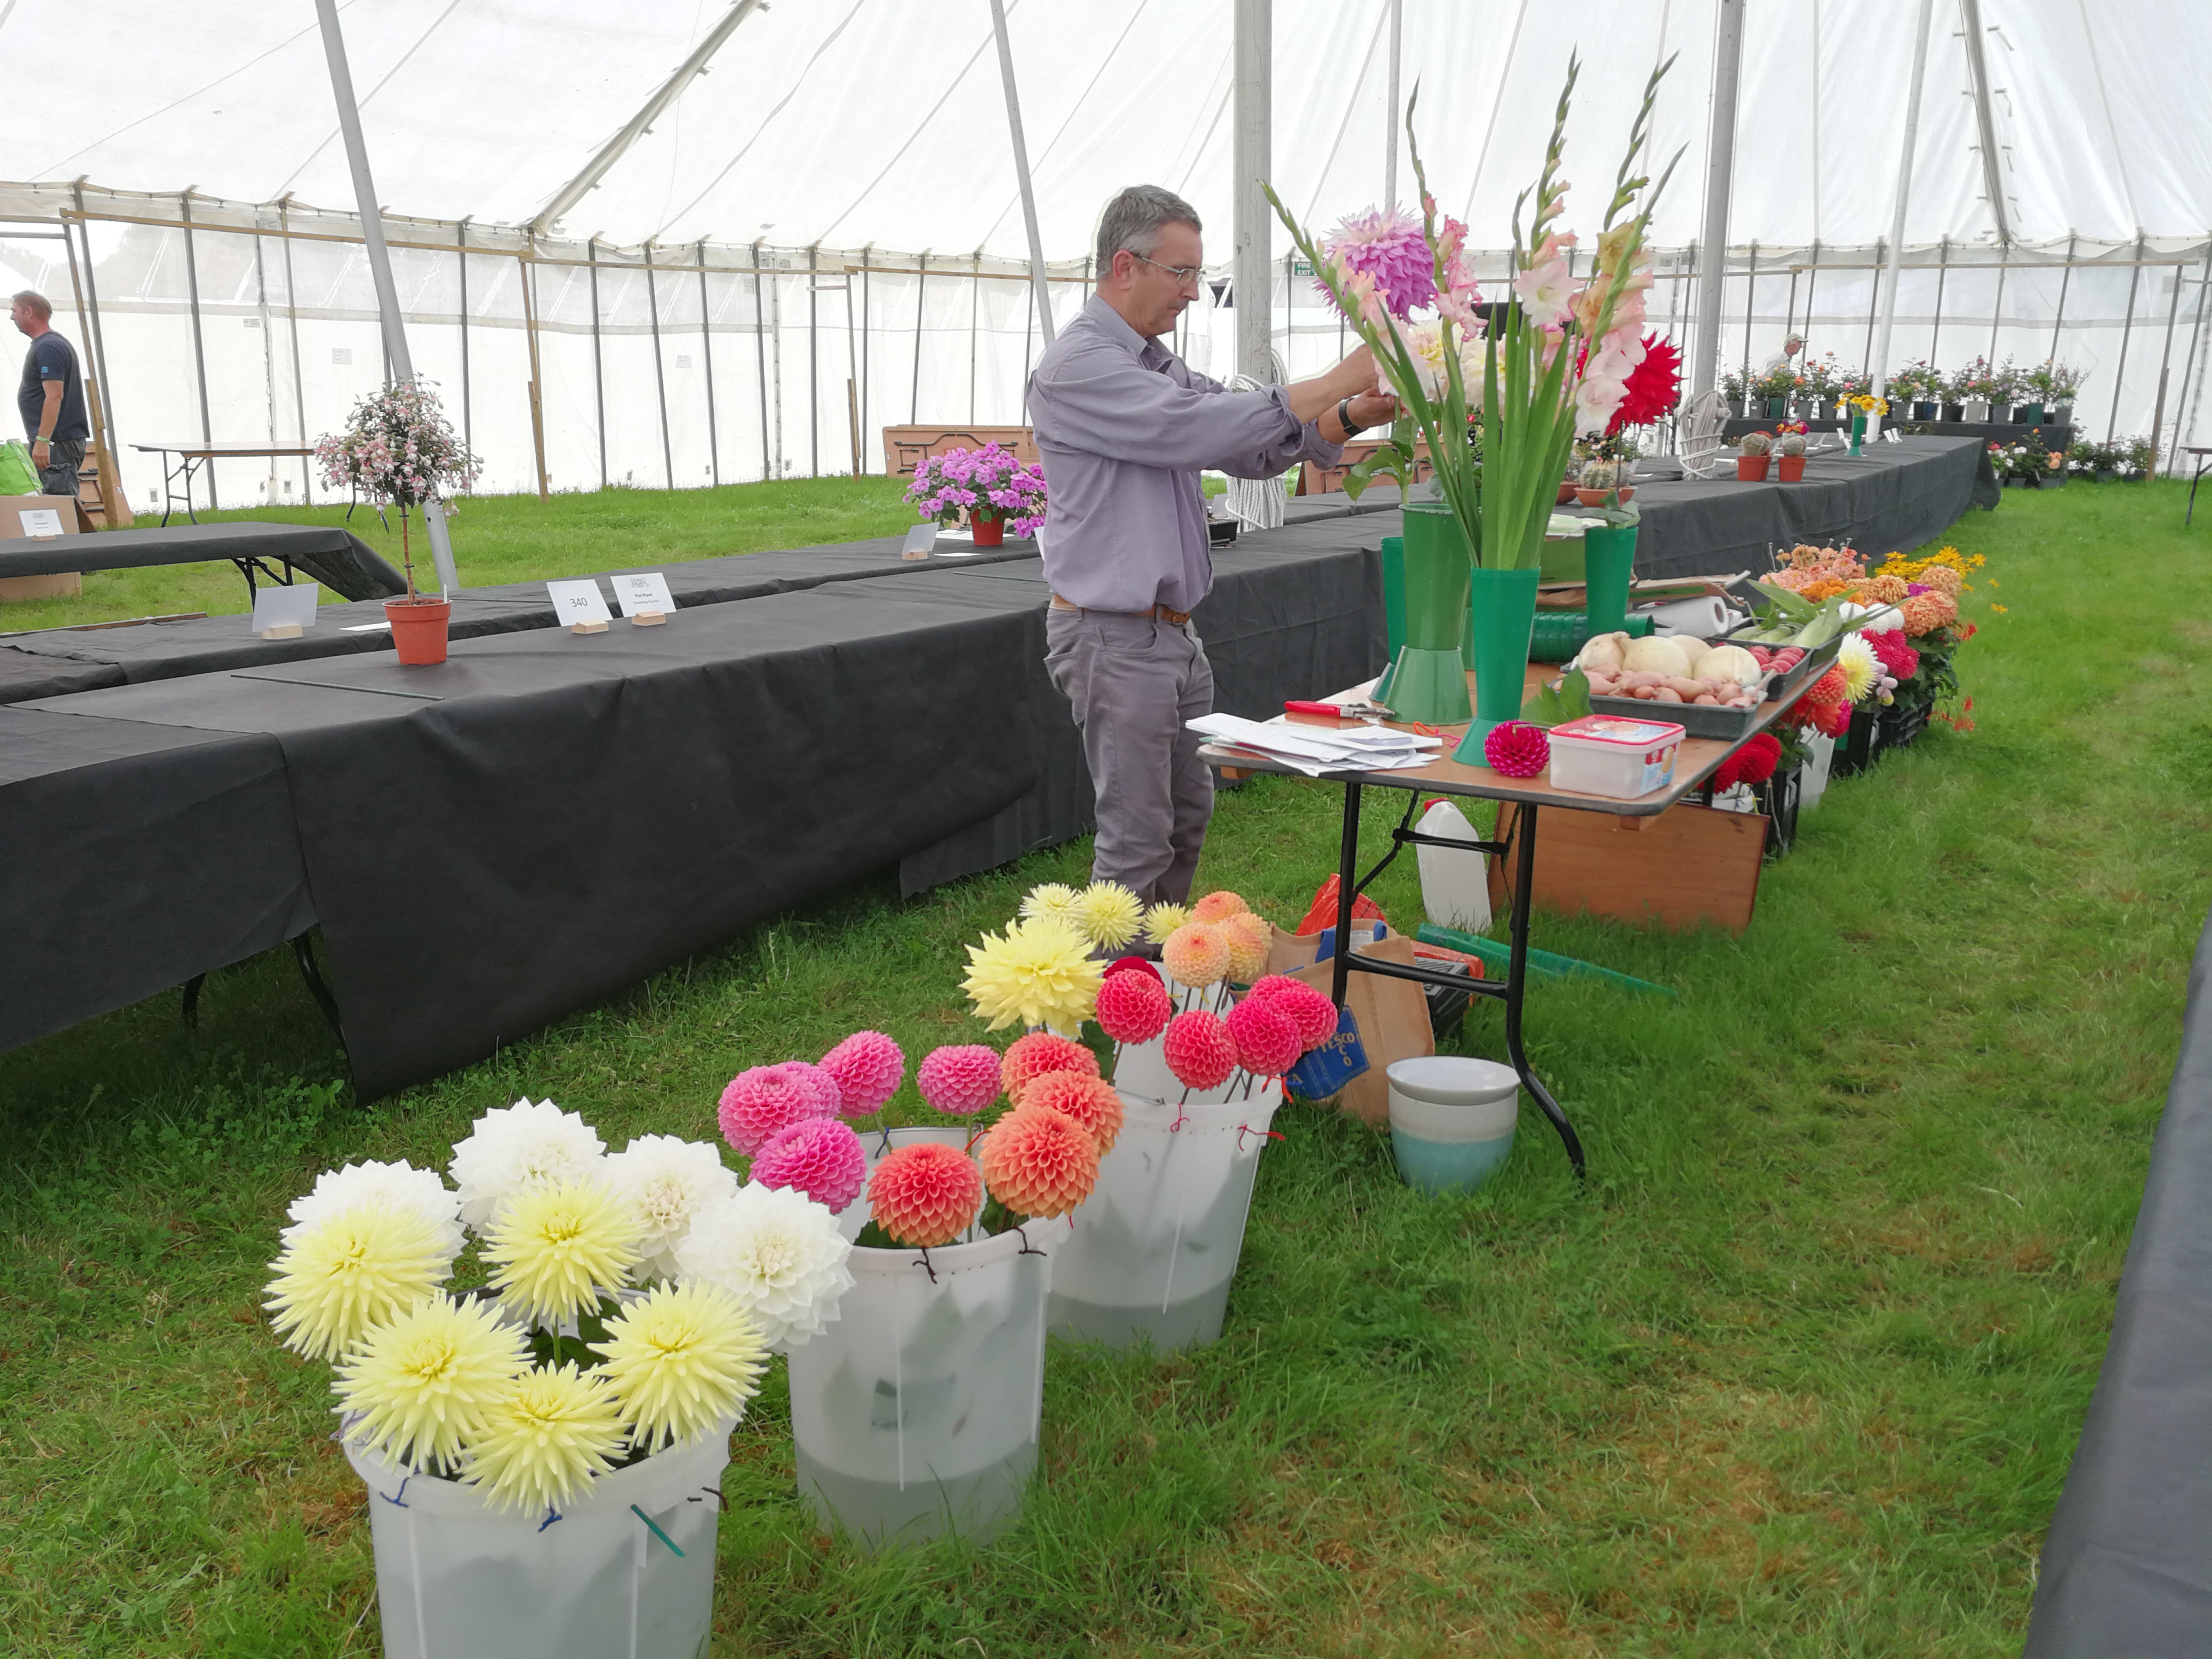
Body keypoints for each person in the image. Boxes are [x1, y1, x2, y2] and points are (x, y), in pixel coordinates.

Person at [1027, 184, 1398, 908]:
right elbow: (1195, 429)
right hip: (1113, 635)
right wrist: (1335, 379)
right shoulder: (1080, 365)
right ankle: (1114, 979)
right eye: (1183, 273)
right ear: (1126, 266)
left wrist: (1350, 413)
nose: (1194, 292)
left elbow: (1247, 445)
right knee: (1136, 838)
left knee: (1186, 818)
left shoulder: (1153, 362)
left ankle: (1161, 962)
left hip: (1169, 635)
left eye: (1198, 274)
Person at [12, 290, 89, 499]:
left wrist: (43, 441)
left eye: (15, 311)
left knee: (59, 503)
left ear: (29, 312)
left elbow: (55, 396)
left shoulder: (48, 347)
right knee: (52, 503)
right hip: (56, 441)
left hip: (57, 442)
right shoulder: (48, 344)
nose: (12, 317)